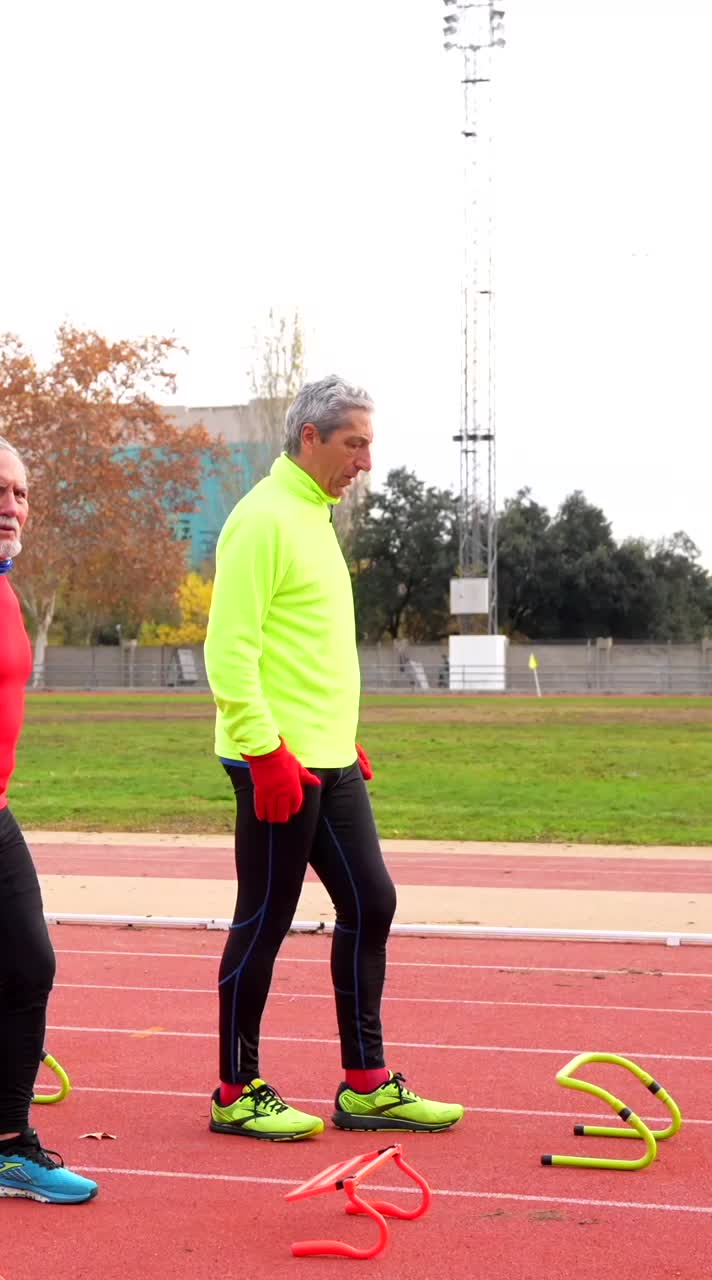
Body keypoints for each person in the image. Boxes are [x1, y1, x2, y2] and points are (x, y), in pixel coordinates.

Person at [203, 376, 464, 1141]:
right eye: (355, 444)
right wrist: (266, 751)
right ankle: (234, 1089)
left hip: (326, 754)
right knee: (266, 916)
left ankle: (366, 1083)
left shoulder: (314, 517)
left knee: (371, 902)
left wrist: (339, 733)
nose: (367, 462)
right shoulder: (262, 521)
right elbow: (231, 653)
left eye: (371, 444)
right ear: (310, 437)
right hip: (274, 760)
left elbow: (302, 647)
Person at [0, 437, 98, 1204]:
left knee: (29, 966)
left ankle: (7, 1148)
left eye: (20, 493)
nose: (10, 505)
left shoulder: (5, 585)